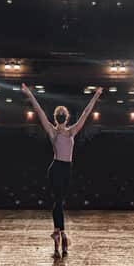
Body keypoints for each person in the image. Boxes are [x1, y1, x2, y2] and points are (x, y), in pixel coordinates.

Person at [22, 83, 102, 257]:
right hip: (57, 168)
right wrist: (29, 94)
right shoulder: (55, 132)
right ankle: (62, 235)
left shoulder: (69, 131)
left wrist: (96, 97)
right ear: (64, 118)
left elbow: (85, 114)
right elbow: (41, 113)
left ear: (63, 118)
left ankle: (59, 234)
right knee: (58, 202)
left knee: (59, 203)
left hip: (65, 169)